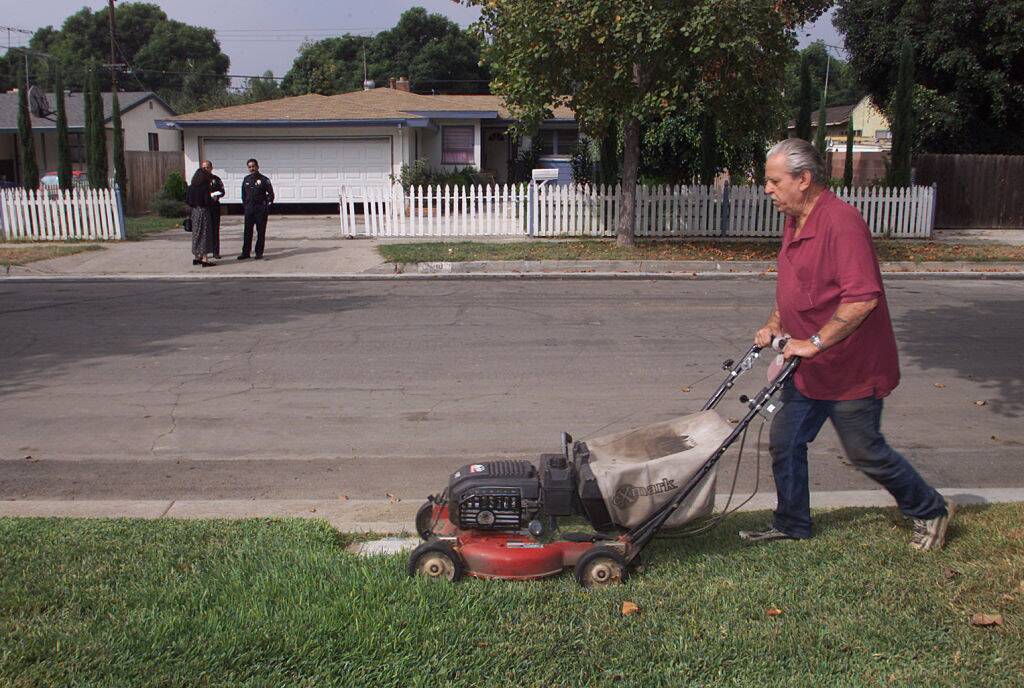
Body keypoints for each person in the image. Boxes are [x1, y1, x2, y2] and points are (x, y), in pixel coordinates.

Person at [739, 138, 953, 551]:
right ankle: (792, 522)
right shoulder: (795, 220)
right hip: (807, 368)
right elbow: (798, 287)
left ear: (803, 180)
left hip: (852, 368)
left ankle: (929, 509)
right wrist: (773, 324)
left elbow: (863, 299)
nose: (767, 188)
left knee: (865, 451)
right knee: (785, 441)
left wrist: (814, 342)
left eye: (773, 180)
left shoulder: (842, 223)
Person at [238, 158, 274, 260]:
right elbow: (243, 195)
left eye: (253, 166)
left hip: (260, 210)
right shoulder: (246, 179)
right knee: (247, 232)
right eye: (249, 167)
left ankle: (259, 252)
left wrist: (266, 206)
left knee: (260, 232)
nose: (251, 168)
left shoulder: (264, 179)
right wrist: (246, 206)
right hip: (249, 209)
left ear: (257, 167)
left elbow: (271, 195)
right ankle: (245, 253)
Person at [186, 167, 216, 267]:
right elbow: (207, 201)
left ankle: (197, 256)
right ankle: (205, 258)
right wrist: (213, 199)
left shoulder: (191, 187)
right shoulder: (205, 187)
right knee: (204, 234)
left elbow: (188, 201)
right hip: (203, 212)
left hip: (194, 212)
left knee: (196, 234)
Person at [201, 160, 225, 259]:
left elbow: (222, 191)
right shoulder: (199, 180)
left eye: (207, 167)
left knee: (215, 230)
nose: (206, 169)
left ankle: (216, 252)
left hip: (214, 207)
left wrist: (217, 195)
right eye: (204, 167)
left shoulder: (216, 179)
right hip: (204, 208)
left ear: (211, 168)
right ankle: (203, 252)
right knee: (204, 231)